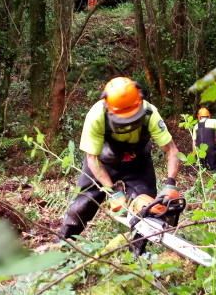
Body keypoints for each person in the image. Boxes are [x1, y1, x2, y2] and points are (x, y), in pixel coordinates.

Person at [59, 77, 181, 239]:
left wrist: (170, 183)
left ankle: (139, 252)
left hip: (138, 165)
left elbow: (171, 150)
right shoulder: (96, 116)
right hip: (103, 163)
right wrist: (112, 192)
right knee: (81, 205)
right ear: (108, 106)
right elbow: (92, 159)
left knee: (146, 209)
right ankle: (63, 242)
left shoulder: (149, 113)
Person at [190, 107, 216, 172]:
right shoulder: (212, 121)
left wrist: (194, 152)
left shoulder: (196, 125)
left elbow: (194, 141)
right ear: (208, 115)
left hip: (199, 148)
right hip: (211, 147)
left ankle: (202, 174)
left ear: (199, 116)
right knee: (214, 165)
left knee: (201, 166)